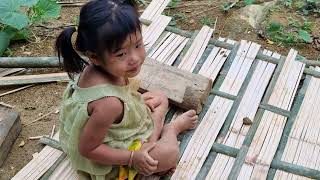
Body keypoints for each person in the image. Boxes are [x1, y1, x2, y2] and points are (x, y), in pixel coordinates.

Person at [55, 0, 198, 179]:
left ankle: (148, 143)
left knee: (160, 98)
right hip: (111, 157)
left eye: (138, 45)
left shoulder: (101, 67)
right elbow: (88, 149)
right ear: (95, 57)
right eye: (121, 54)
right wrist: (132, 157)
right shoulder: (108, 104)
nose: (135, 58)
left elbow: (121, 93)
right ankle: (170, 131)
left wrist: (131, 104)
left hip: (113, 129)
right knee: (168, 155)